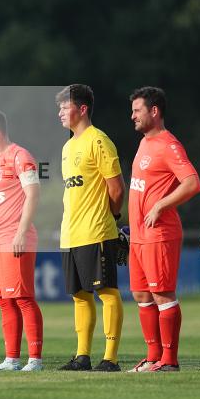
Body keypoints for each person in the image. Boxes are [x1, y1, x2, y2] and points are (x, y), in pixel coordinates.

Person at [126, 87, 200, 372]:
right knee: (142, 296)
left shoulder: (169, 144)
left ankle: (170, 360)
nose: (132, 116)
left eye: (137, 110)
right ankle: (153, 356)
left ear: (154, 111)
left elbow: (192, 182)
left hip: (160, 233)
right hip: (139, 235)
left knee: (162, 295)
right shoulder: (145, 142)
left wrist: (160, 206)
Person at [57, 84, 125, 372]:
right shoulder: (68, 145)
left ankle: (110, 357)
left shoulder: (99, 141)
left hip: (96, 230)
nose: (60, 112)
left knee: (107, 291)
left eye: (65, 106)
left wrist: (111, 217)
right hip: (70, 233)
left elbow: (117, 189)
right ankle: (82, 355)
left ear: (82, 109)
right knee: (79, 295)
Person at [0, 108, 44, 371]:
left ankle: (35, 359)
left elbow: (33, 193)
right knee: (4, 300)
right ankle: (11, 358)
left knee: (23, 298)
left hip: (15, 238)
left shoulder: (20, 155)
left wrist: (21, 232)